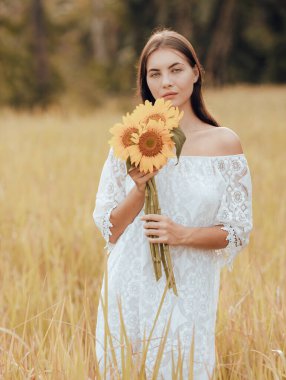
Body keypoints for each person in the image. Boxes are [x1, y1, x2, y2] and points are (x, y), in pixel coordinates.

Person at [93, 29, 253, 379]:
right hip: (130, 283)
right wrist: (139, 189)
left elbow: (237, 230)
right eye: (155, 73)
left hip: (190, 286)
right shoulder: (131, 140)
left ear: (196, 72)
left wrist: (183, 234)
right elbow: (110, 227)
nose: (166, 81)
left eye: (176, 69)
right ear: (145, 81)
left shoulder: (224, 143)